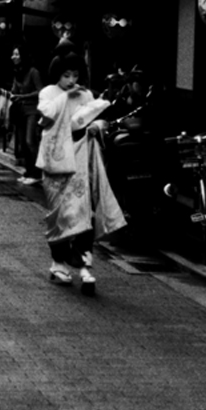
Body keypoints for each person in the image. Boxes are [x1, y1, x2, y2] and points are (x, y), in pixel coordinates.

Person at [36, 51, 127, 295]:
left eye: (75, 75)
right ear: (57, 75)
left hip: (82, 158)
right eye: (66, 75)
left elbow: (99, 119)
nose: (71, 80)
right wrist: (67, 97)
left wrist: (97, 125)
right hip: (56, 163)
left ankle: (85, 265)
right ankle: (59, 262)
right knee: (60, 214)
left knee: (85, 211)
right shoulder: (48, 93)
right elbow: (46, 117)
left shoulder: (87, 93)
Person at [10, 44, 43, 185]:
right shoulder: (18, 72)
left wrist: (23, 96)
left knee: (30, 141)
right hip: (21, 110)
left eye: (17, 54)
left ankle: (37, 173)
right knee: (23, 143)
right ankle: (28, 171)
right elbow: (14, 89)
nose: (14, 57)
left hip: (33, 110)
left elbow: (40, 90)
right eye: (13, 54)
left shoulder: (33, 72)